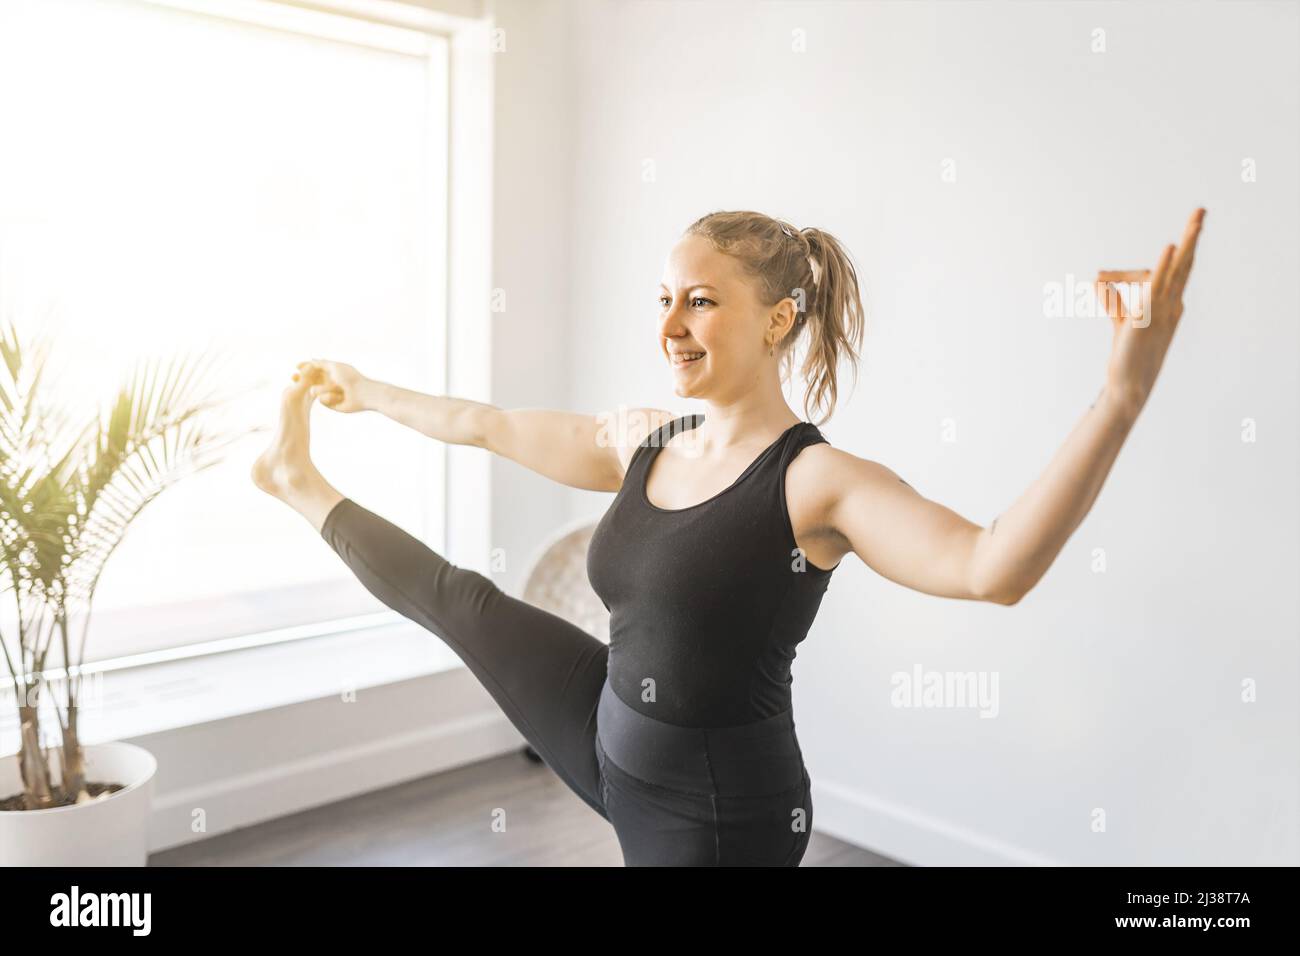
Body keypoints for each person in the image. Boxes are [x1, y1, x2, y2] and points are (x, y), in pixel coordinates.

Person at [250, 207, 1205, 866]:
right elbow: (492, 425)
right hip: (603, 735)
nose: (670, 323)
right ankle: (297, 482)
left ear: (778, 319)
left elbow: (992, 566)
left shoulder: (814, 483)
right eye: (664, 297)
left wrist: (1119, 396)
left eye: (700, 300)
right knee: (461, 600)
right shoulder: (650, 441)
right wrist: (368, 392)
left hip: (714, 822)